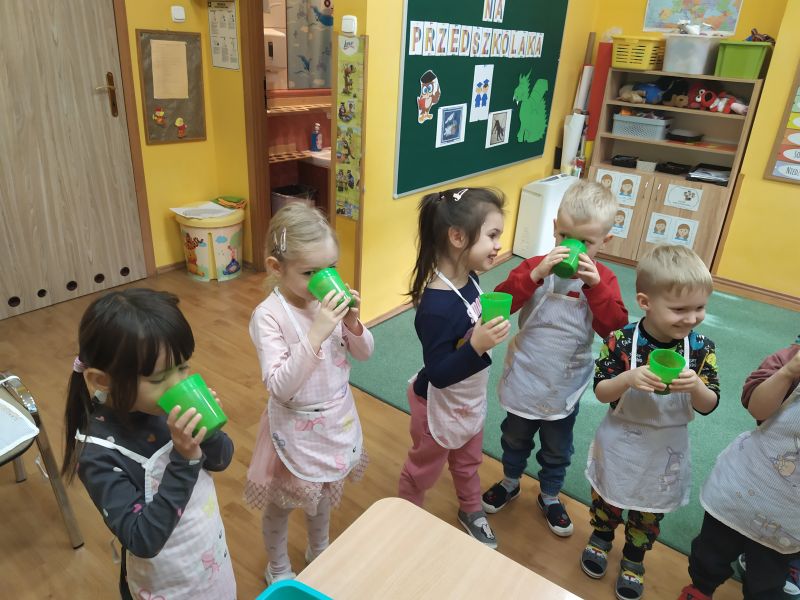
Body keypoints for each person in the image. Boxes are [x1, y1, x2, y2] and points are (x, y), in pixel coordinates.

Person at [61, 289, 236, 600]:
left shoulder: (160, 407)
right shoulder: (97, 452)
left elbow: (221, 460)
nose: (178, 384)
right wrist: (184, 459)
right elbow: (142, 539)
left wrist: (208, 430)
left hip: (209, 557)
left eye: (183, 367)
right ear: (103, 380)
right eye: (158, 379)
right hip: (165, 585)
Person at [481, 181, 628, 538]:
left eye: (585, 242)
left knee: (557, 447)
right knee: (514, 436)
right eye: (564, 236)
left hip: (565, 382)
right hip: (526, 373)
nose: (570, 247)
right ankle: (510, 480)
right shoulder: (535, 266)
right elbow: (501, 303)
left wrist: (596, 289)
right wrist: (534, 275)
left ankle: (549, 494)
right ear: (554, 229)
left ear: (604, 242)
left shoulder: (604, 279)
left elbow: (614, 329)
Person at [245, 203, 373, 584]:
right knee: (281, 507)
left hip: (334, 424)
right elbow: (280, 386)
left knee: (322, 498)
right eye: (310, 273)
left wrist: (352, 323)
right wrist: (316, 334)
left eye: (330, 268)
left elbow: (365, 354)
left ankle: (320, 550)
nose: (323, 279)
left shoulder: (329, 306)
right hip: (294, 433)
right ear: (276, 267)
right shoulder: (269, 316)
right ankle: (278, 568)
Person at [583, 244, 720, 600]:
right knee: (607, 499)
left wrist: (696, 386)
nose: (691, 318)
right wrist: (628, 378)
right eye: (679, 309)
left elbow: (710, 404)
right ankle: (600, 537)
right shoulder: (621, 340)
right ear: (645, 302)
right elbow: (601, 391)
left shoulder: (701, 348)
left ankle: (634, 558)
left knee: (648, 512)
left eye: (699, 308)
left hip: (665, 452)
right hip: (620, 444)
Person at [398, 187, 511, 548]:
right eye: (492, 235)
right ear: (458, 237)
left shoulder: (471, 278)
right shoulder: (435, 306)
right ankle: (403, 516)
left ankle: (471, 509)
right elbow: (439, 373)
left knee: (468, 462)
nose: (498, 245)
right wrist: (477, 345)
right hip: (436, 407)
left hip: (469, 399)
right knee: (422, 471)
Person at [679, 335, 800, 600]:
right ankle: (700, 587)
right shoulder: (790, 359)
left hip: (791, 514)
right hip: (745, 487)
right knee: (712, 550)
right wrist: (789, 371)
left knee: (768, 576)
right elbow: (757, 407)